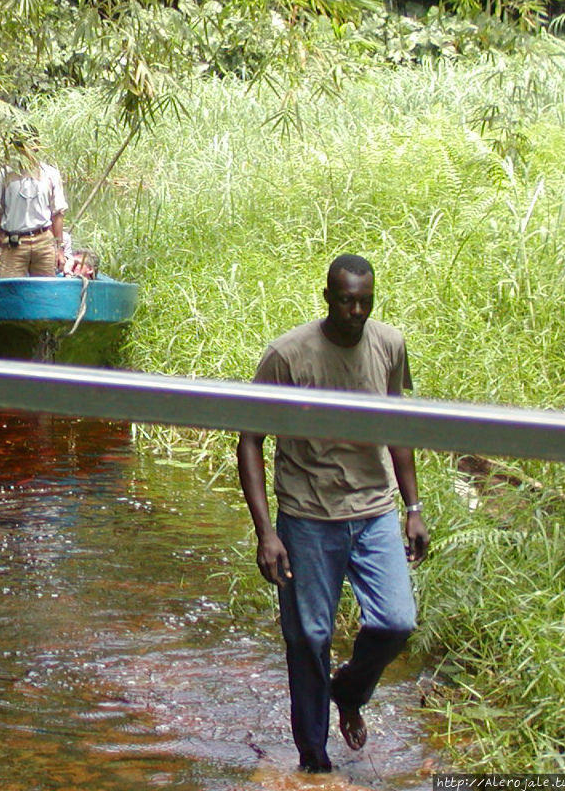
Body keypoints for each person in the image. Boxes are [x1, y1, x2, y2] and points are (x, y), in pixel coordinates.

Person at [235, 254, 429, 774]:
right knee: (309, 639)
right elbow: (250, 439)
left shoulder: (388, 345)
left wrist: (413, 507)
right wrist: (265, 532)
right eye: (346, 300)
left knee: (396, 621)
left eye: (365, 301)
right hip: (307, 515)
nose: (356, 311)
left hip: (373, 510)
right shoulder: (287, 355)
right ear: (327, 297)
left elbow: (400, 427)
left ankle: (349, 690)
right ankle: (315, 761)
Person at [0, 135, 68, 278]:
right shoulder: (5, 174)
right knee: (9, 289)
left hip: (43, 240)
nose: (25, 150)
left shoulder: (50, 174)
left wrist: (60, 249)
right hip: (14, 242)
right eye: (20, 145)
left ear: (37, 145)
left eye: (29, 144)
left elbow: (58, 213)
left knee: (45, 290)